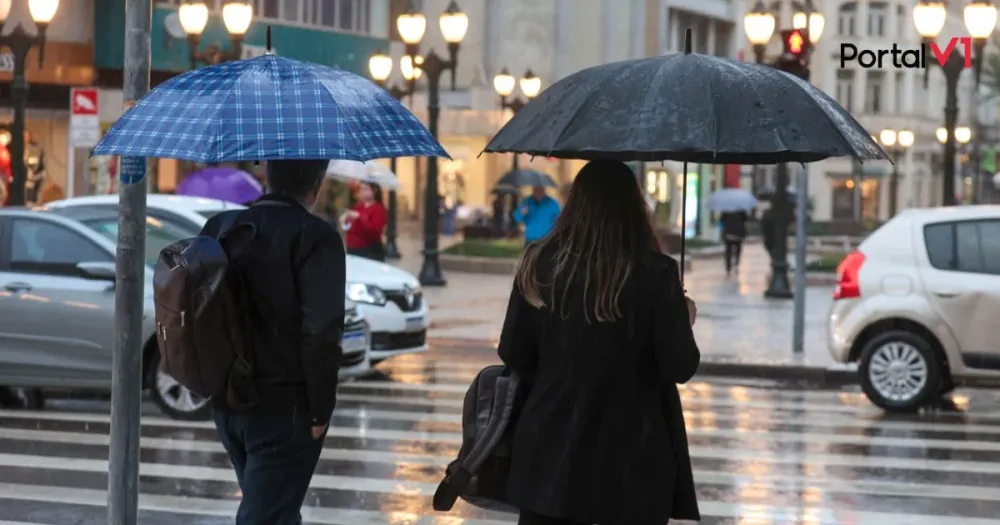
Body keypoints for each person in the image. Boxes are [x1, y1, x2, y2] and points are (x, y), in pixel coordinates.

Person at [498, 159, 701, 525]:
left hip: (551, 451)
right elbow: (679, 366)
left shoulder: (539, 265)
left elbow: (514, 352)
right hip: (631, 458)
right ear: (634, 207)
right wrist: (682, 320)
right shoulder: (656, 273)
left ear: (575, 203)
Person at [200, 159, 346, 525]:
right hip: (285, 407)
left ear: (267, 177)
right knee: (267, 516)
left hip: (228, 399)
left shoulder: (222, 228)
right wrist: (319, 410)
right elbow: (321, 332)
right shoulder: (315, 237)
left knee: (275, 508)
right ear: (317, 185)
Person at [342, 182, 388, 261]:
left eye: (365, 189)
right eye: (361, 189)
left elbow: (374, 230)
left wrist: (359, 217)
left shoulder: (378, 209)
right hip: (353, 249)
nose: (362, 192)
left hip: (369, 250)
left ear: (374, 191)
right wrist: (346, 220)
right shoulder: (358, 206)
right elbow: (350, 227)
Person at [719, 210, 749, 276]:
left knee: (728, 252)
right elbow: (745, 219)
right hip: (738, 234)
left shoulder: (726, 211)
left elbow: (721, 220)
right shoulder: (741, 211)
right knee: (738, 251)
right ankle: (736, 264)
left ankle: (728, 267)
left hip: (728, 234)